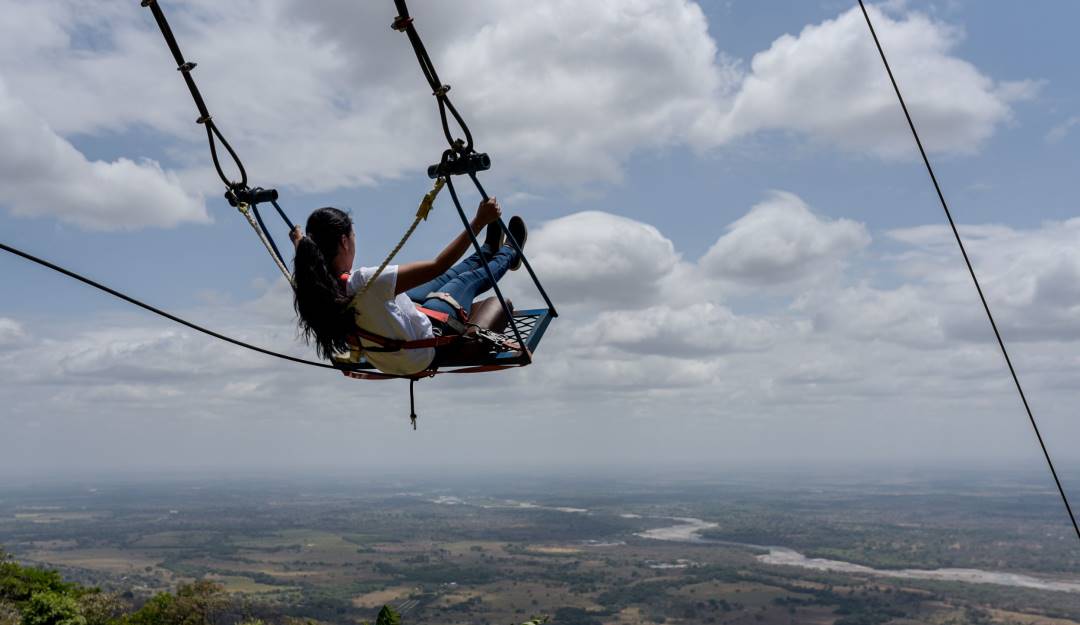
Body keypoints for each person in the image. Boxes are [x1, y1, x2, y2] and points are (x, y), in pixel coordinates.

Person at [289, 197, 526, 376]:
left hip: (387, 349)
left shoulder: (314, 284)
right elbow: (438, 265)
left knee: (445, 279)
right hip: (419, 349)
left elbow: (305, 258)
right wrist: (478, 221)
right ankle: (510, 253)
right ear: (344, 241)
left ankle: (487, 250)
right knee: (462, 281)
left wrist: (300, 242)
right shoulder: (365, 282)